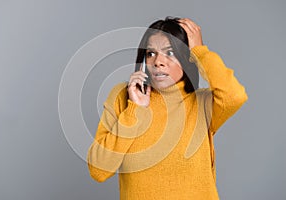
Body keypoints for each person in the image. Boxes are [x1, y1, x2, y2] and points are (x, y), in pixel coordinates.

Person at [87, 17, 248, 200]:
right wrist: (135, 111)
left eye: (170, 53)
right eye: (150, 53)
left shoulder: (203, 104)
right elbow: (98, 170)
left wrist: (200, 52)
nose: (158, 62)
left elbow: (235, 95)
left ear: (187, 59)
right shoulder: (123, 97)